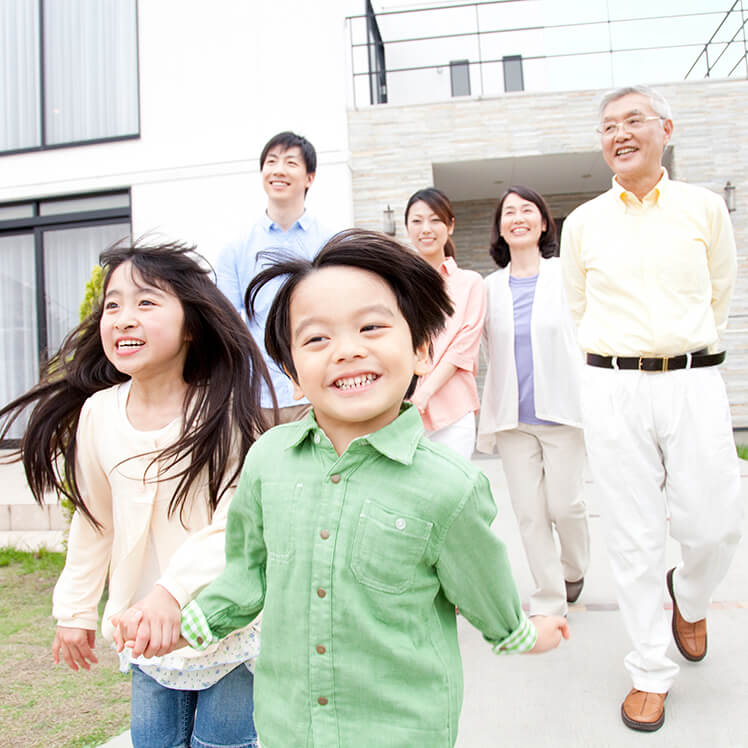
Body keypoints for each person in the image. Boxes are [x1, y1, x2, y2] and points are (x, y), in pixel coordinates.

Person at [116, 229, 569, 747]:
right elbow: (246, 575)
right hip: (289, 728)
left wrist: (523, 633)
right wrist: (189, 627)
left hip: (402, 730)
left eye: (372, 327)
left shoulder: (450, 485)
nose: (348, 351)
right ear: (291, 372)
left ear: (421, 350)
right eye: (316, 339)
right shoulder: (268, 460)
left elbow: (484, 588)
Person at [0, 242, 273, 748]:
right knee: (154, 742)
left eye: (146, 303)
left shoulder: (222, 409)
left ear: (191, 324)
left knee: (224, 744)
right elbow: (93, 519)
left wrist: (171, 596)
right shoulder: (98, 413)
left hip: (226, 622)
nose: (124, 318)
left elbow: (237, 524)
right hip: (143, 628)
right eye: (113, 305)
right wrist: (76, 611)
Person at [560, 85, 742, 732]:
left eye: (634, 120)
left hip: (692, 380)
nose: (620, 132)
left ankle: (688, 596)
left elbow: (720, 289)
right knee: (634, 536)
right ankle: (649, 670)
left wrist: (678, 348)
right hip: (613, 386)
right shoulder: (583, 223)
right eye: (609, 125)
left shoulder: (703, 207)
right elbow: (577, 308)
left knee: (717, 522)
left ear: (666, 128)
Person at [477, 185, 590, 619]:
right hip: (512, 419)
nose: (518, 217)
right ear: (500, 228)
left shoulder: (566, 274)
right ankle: (549, 599)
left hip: (562, 413)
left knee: (566, 506)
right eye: (509, 212)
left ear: (544, 223)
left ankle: (574, 567)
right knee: (529, 514)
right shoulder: (489, 288)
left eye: (528, 210)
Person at [216, 130, 333, 425]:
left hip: (319, 389)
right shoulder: (237, 248)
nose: (278, 170)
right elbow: (224, 322)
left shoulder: (331, 242)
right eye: (271, 161)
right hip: (259, 396)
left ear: (310, 177)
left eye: (291, 163)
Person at [404, 187, 486, 459]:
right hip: (402, 411)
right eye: (416, 221)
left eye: (435, 219)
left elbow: (463, 347)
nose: (425, 228)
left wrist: (424, 393)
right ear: (407, 227)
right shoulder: (396, 284)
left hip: (453, 409)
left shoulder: (470, 283)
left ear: (450, 226)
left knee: (453, 494)